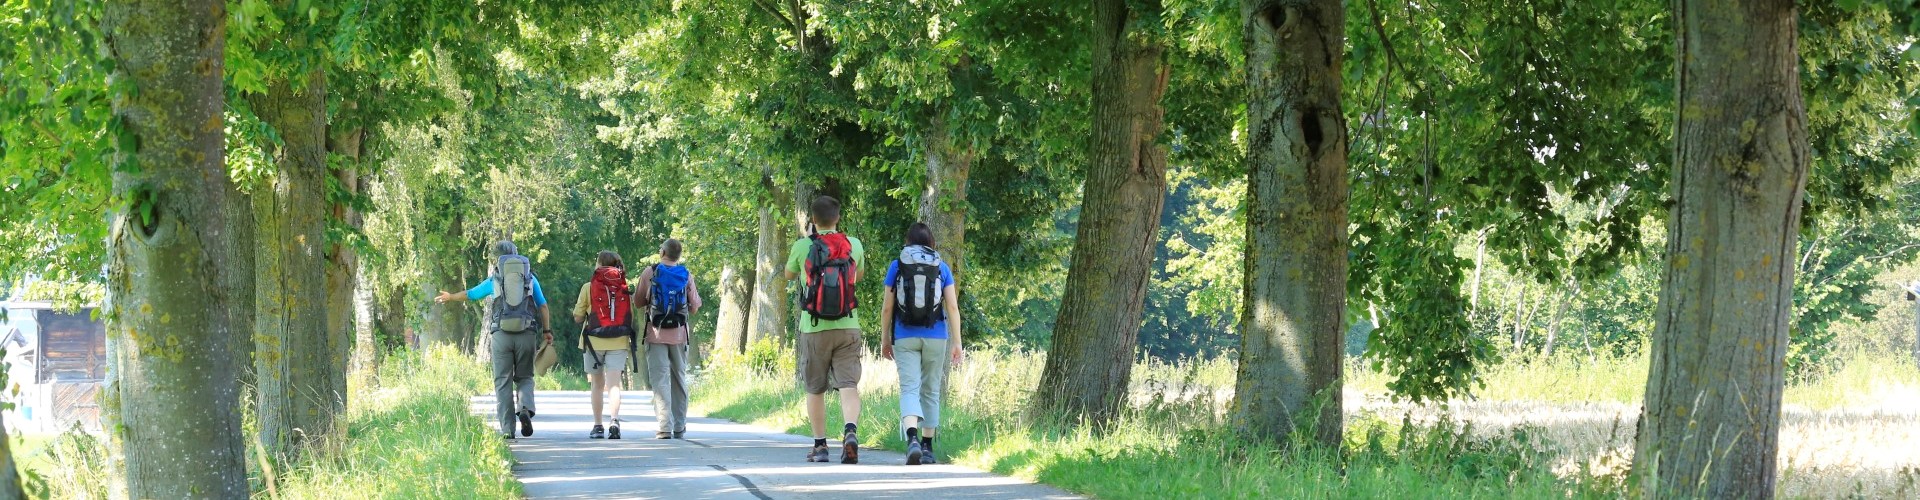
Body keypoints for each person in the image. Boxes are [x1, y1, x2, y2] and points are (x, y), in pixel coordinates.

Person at [436, 240, 553, 439]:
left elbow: (471, 294)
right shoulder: (530, 279)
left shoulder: (495, 280)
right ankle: (524, 409)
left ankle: (508, 429)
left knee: (502, 381)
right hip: (526, 333)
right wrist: (546, 331)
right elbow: (542, 306)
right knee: (525, 377)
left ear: (498, 259)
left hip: (501, 335)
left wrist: (451, 297)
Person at [785, 195, 867, 464]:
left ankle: (820, 446)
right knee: (848, 384)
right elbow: (858, 276)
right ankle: (850, 431)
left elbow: (789, 274)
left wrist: (808, 241)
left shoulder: (802, 246)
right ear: (838, 217)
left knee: (815, 388)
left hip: (814, 326)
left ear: (812, 220)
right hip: (848, 325)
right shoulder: (853, 244)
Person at [879, 223, 963, 465]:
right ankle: (927, 448)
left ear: (908, 241)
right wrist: (957, 342)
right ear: (931, 242)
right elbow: (953, 307)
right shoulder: (942, 267)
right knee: (931, 390)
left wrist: (885, 338)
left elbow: (887, 308)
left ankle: (912, 439)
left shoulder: (898, 265)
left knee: (909, 389)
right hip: (936, 335)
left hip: (904, 336)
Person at [636, 239, 703, 439]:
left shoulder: (651, 272)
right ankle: (680, 426)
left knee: (660, 380)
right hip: (680, 334)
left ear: (663, 252)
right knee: (678, 379)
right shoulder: (686, 274)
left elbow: (638, 301)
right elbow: (694, 306)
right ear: (679, 255)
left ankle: (664, 426)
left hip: (655, 334)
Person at [572, 250, 637, 439]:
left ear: (598, 264)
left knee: (597, 385)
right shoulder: (624, 287)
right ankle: (614, 420)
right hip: (619, 340)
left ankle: (598, 425)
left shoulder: (588, 287)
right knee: (614, 385)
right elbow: (629, 316)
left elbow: (577, 318)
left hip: (593, 341)